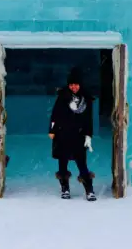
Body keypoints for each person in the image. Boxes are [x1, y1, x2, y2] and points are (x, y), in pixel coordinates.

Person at [48, 67, 96, 201]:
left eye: (76, 84)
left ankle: (89, 190)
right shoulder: (63, 97)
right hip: (62, 134)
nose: (73, 87)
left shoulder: (86, 99)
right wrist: (52, 130)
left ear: (80, 85)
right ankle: (65, 189)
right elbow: (55, 114)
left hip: (78, 135)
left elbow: (88, 119)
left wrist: (88, 135)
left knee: (81, 162)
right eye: (71, 84)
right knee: (62, 162)